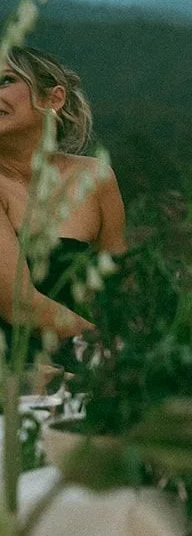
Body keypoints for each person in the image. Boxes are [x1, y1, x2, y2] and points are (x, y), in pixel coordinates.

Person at [0, 47, 125, 339]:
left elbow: (118, 280)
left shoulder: (95, 177)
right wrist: (105, 347)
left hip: (92, 362)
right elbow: (17, 303)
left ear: (53, 98)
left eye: (5, 81)